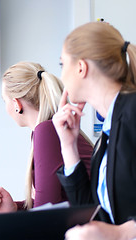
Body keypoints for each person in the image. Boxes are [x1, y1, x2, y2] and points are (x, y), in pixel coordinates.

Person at [52, 22, 136, 239]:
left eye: (62, 64)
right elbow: (90, 214)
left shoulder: (132, 112)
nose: (61, 76)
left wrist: (120, 234)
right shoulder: (109, 132)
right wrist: (68, 145)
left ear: (81, 67)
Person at [0, 62, 93, 213]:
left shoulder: (47, 131)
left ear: (16, 103)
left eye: (4, 101)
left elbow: (44, 212)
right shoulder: (50, 129)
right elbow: (54, 201)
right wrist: (16, 208)